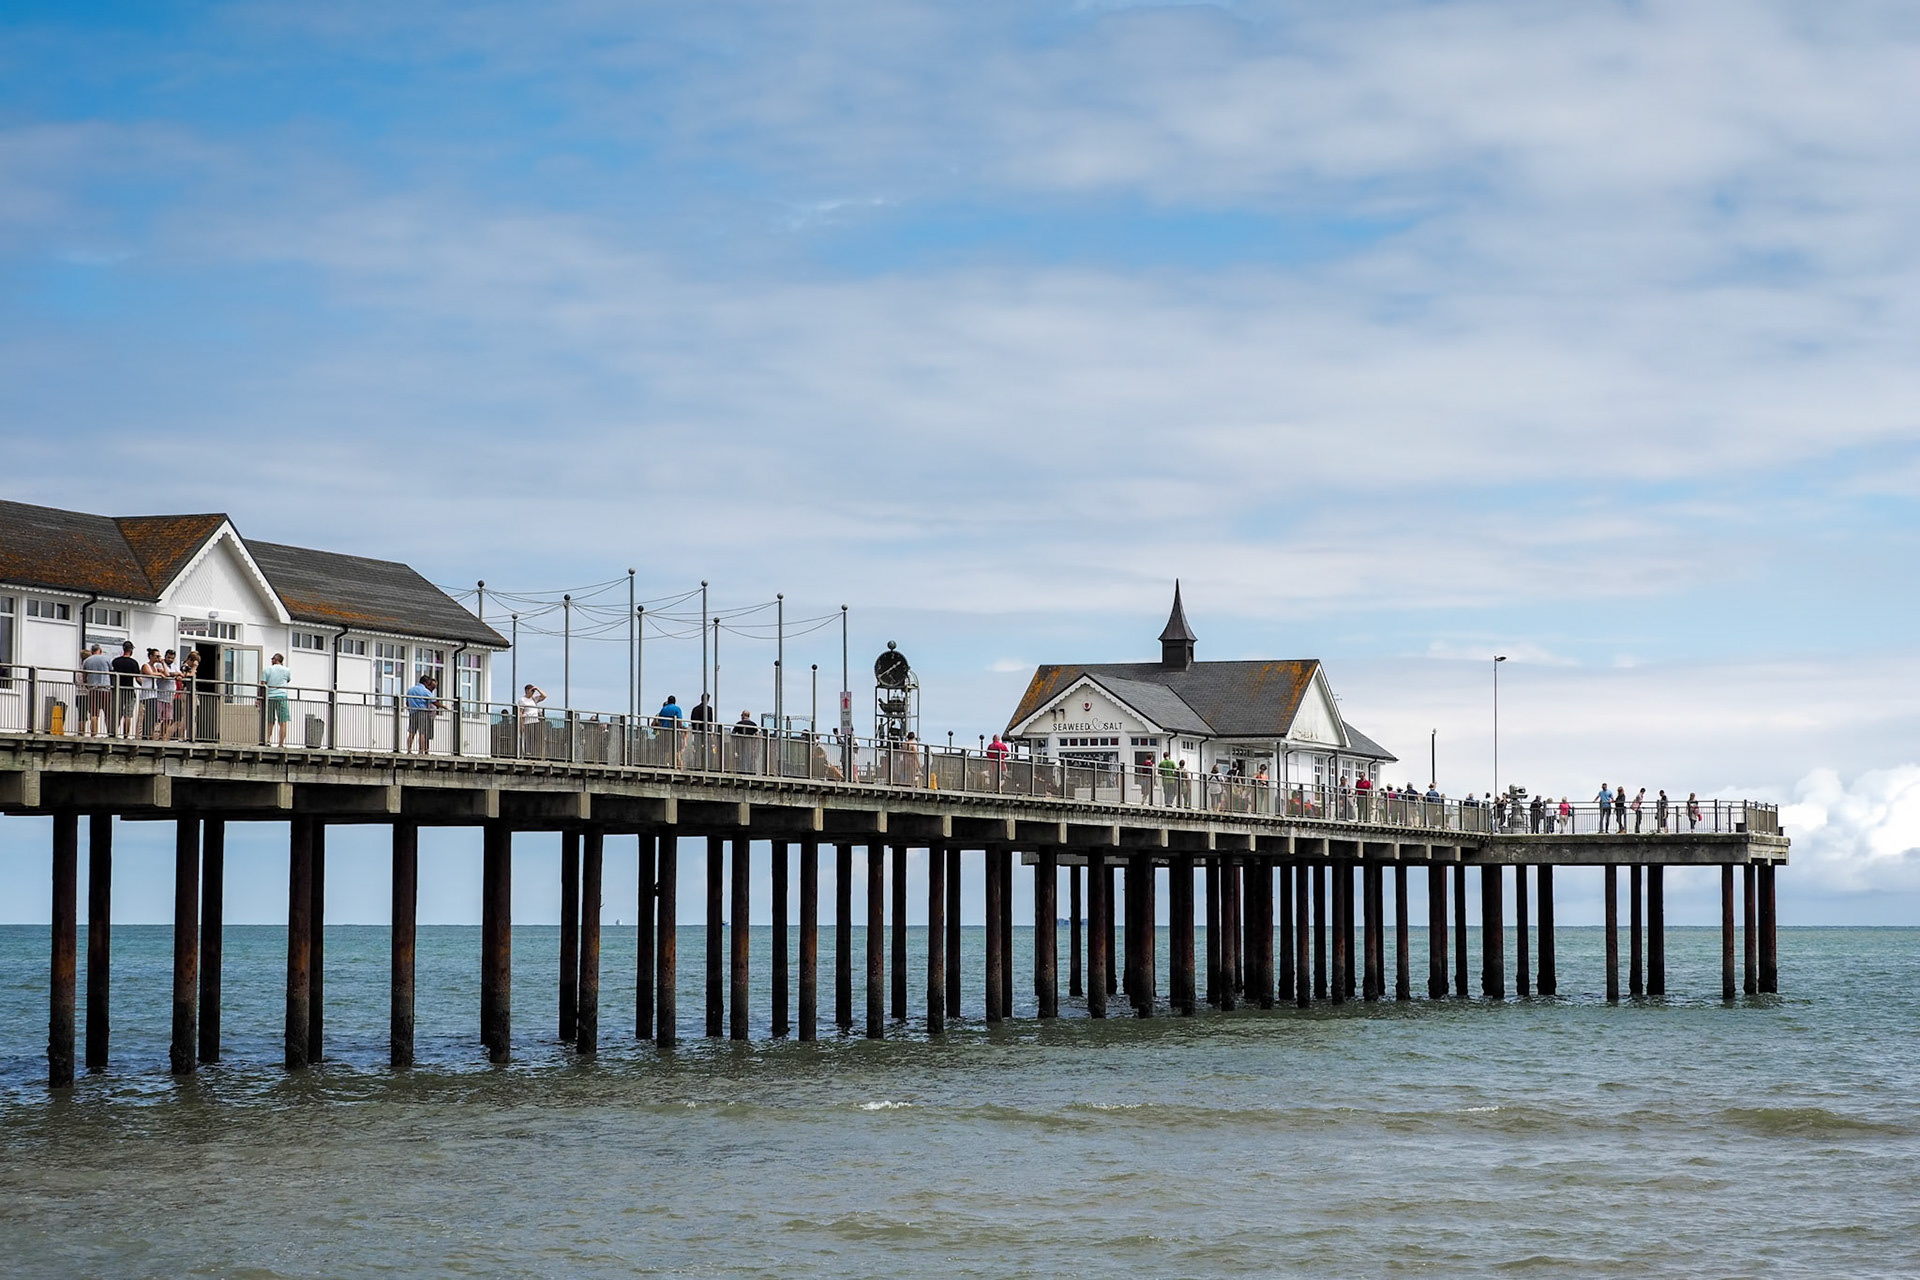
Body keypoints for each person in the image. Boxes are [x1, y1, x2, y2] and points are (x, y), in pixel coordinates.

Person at [110, 641, 142, 738]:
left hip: (118, 690)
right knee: (128, 715)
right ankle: (126, 735)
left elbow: (112, 676)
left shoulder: (116, 661)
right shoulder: (134, 663)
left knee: (117, 713)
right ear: (131, 650)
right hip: (130, 691)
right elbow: (138, 678)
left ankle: (114, 734)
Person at [263, 652, 293, 747]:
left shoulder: (267, 670)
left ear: (275, 660)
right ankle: (281, 743)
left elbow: (262, 684)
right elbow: (288, 680)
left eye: (272, 659)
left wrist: (258, 699)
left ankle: (267, 740)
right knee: (283, 721)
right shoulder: (287, 670)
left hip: (270, 697)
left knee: (270, 720)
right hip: (282, 697)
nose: (271, 661)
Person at [405, 673, 440, 755]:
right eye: (428, 682)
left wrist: (410, 710)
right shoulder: (425, 691)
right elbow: (434, 701)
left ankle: (409, 750)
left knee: (411, 733)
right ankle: (421, 751)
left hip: (412, 712)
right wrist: (444, 706)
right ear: (425, 682)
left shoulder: (410, 690)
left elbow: (407, 702)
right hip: (422, 713)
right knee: (422, 733)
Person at [81, 644, 112, 735]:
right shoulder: (106, 659)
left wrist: (88, 686)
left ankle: (93, 733)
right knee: (108, 713)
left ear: (91, 651)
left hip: (93, 689)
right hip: (105, 689)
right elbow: (111, 671)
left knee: (94, 713)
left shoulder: (86, 661)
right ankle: (110, 733)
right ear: (100, 650)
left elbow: (84, 676)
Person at [153, 650, 179, 742]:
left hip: (170, 697)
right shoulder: (159, 665)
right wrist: (173, 674)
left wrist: (175, 674)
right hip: (160, 696)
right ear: (165, 656)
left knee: (168, 719)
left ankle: (162, 737)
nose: (170, 659)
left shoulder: (174, 666)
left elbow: (180, 675)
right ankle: (154, 737)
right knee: (158, 718)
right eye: (168, 657)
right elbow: (166, 673)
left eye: (172, 658)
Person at [519, 684, 547, 756]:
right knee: (529, 738)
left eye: (534, 691)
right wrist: (521, 724)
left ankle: (535, 752)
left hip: (535, 721)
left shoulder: (534, 699)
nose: (533, 692)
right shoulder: (522, 700)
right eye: (532, 691)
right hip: (527, 722)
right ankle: (527, 752)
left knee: (536, 738)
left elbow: (544, 696)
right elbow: (520, 713)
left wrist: (537, 689)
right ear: (527, 691)